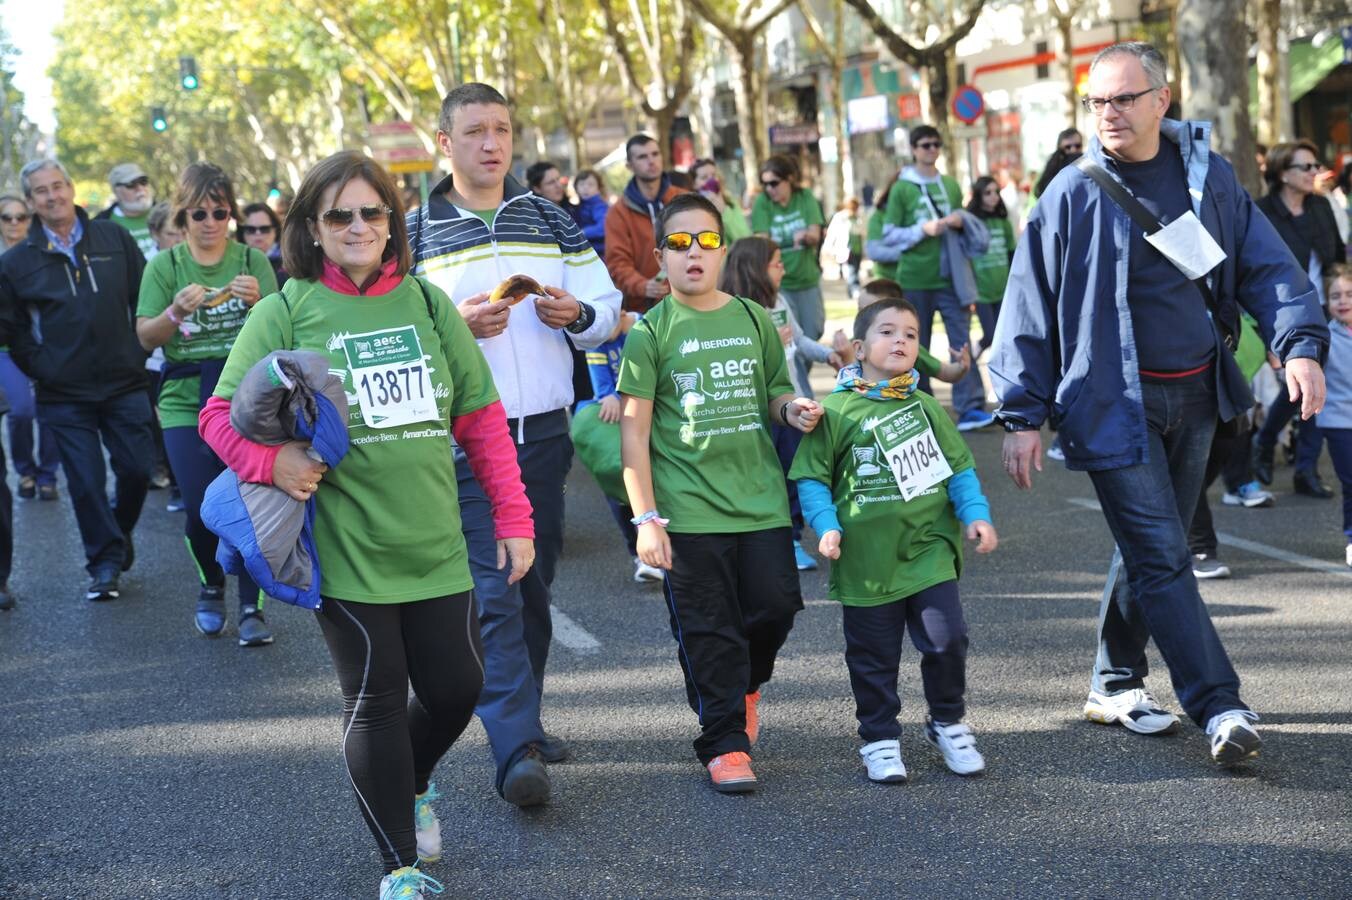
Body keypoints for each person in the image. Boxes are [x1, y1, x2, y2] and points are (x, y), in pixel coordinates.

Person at [202, 150, 530, 900]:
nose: (357, 226)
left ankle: (411, 778)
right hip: (346, 546)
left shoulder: (426, 303)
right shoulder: (283, 311)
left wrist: (514, 516)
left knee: (456, 687)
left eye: (371, 212)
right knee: (376, 698)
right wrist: (273, 463)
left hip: (435, 540)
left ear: (393, 222)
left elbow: (479, 419)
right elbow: (219, 417)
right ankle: (400, 869)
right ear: (312, 229)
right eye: (339, 215)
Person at [990, 42, 1328, 767]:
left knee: (1152, 549)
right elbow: (1027, 306)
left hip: (1200, 393)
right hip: (1114, 401)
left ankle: (1114, 682)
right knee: (1164, 554)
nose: (1108, 114)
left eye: (1123, 98)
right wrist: (1020, 414)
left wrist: (1300, 343)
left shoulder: (1209, 178)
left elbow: (1267, 267)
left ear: (1161, 100)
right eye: (1096, 102)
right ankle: (1219, 703)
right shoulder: (1071, 191)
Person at [407, 82, 621, 804]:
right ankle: (514, 748)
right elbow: (394, 343)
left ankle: (523, 717)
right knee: (498, 587)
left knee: (533, 585)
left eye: (500, 129)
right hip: (467, 441)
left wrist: (578, 311)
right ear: (445, 143)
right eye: (474, 131)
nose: (491, 143)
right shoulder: (415, 233)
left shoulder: (551, 218)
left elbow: (608, 311)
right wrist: (452, 329)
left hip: (548, 434)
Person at [618, 192, 821, 793]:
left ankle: (744, 686)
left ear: (723, 248)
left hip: (759, 504)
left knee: (776, 608)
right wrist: (646, 518)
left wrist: (794, 411)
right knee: (709, 628)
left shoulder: (755, 319)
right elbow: (635, 433)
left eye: (706, 240)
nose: (695, 253)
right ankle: (724, 739)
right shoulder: (651, 333)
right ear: (661, 258)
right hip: (687, 513)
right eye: (679, 244)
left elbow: (775, 394)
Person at [791, 296, 997, 782]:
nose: (901, 339)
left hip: (928, 550)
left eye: (910, 333)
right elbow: (812, 480)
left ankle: (947, 720)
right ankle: (880, 737)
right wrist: (826, 527)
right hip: (865, 560)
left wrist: (976, 516)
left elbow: (960, 469)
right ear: (860, 348)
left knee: (948, 639)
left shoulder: (926, 407)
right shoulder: (835, 412)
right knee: (872, 658)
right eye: (888, 331)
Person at [0, 159, 156, 602]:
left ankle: (118, 530)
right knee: (85, 481)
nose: (52, 196)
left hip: (125, 380)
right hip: (63, 393)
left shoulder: (115, 239)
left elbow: (143, 299)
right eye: (41, 192)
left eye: (57, 186)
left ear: (71, 189)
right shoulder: (15, 264)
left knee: (138, 470)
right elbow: (9, 330)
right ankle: (104, 563)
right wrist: (43, 368)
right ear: (31, 203)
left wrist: (138, 350)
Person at [136, 162, 279, 645]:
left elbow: (284, 336)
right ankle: (210, 586)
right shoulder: (165, 266)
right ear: (183, 217)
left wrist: (260, 302)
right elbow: (143, 336)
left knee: (251, 502)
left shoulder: (251, 261)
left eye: (221, 211)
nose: (211, 222)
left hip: (249, 398)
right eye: (200, 213)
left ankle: (250, 605)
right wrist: (176, 311)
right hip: (184, 397)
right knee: (199, 507)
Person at [720, 235, 840, 572]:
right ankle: (756, 542)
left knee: (794, 472)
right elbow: (732, 362)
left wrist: (829, 354)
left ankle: (791, 540)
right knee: (760, 477)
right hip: (753, 412)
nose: (784, 269)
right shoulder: (731, 308)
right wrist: (768, 340)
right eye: (777, 263)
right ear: (757, 268)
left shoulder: (779, 301)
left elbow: (799, 340)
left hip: (791, 406)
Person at [1252, 140, 1346, 499]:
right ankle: (1264, 441)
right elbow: (1254, 271)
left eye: (1313, 165)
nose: (1313, 174)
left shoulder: (1321, 207)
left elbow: (1336, 254)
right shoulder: (1262, 212)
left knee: (1316, 388)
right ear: (1282, 174)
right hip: (1279, 315)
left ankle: (1305, 470)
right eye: (1304, 167)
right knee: (1298, 388)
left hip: (1321, 311)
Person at [881, 126, 991, 431]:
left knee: (961, 340)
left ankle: (970, 407)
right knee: (917, 345)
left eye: (936, 144)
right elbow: (888, 235)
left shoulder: (951, 185)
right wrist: (922, 230)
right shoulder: (902, 188)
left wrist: (957, 222)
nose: (931, 150)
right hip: (915, 279)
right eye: (925, 145)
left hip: (951, 277)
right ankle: (921, 407)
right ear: (914, 149)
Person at [0, 194, 60, 505]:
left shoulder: (42, 253)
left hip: (44, 345)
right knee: (21, 410)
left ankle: (48, 476)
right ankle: (24, 471)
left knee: (51, 410)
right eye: (6, 217)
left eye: (20, 217)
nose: (14, 223)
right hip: (6, 349)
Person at [605, 134, 687, 312]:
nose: (651, 161)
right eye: (642, 157)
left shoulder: (684, 200)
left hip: (689, 299)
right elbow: (617, 264)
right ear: (629, 165)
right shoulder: (618, 212)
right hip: (644, 309)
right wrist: (642, 285)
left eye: (655, 154)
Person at [751, 154, 825, 341]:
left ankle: (800, 371)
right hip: (779, 284)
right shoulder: (762, 203)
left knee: (813, 332)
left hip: (807, 279)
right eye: (765, 184)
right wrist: (795, 237)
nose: (769, 189)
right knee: (790, 337)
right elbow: (763, 244)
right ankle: (796, 372)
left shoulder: (804, 196)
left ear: (789, 179)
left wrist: (806, 237)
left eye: (774, 183)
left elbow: (815, 234)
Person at [1315, 265, 1352, 567]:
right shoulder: (1325, 336)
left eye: (1350, 294)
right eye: (1335, 295)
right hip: (1339, 421)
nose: (1342, 301)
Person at [966, 176, 1014, 355]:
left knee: (1003, 337)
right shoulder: (971, 223)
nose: (994, 196)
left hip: (1003, 290)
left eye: (996, 192)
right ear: (979, 196)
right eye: (988, 193)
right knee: (991, 335)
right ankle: (972, 354)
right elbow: (966, 256)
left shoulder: (1003, 222)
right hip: (981, 292)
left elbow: (1011, 253)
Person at [95, 162, 158, 259]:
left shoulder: (167, 214)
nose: (140, 188)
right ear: (116, 191)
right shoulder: (101, 226)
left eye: (143, 181)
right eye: (131, 185)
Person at [692, 157, 750, 244]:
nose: (711, 180)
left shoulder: (731, 203)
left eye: (714, 175)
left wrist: (723, 211)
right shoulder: (690, 208)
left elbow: (745, 239)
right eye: (704, 177)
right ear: (694, 184)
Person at [237, 201, 288, 287]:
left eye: (264, 229)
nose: (258, 234)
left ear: (275, 231)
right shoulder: (234, 263)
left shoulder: (289, 264)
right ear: (242, 232)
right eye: (251, 229)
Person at [569, 169, 608, 259]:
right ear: (576, 188)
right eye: (582, 184)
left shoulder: (599, 206)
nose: (585, 187)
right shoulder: (582, 205)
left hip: (600, 253)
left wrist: (583, 232)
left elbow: (603, 227)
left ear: (599, 188)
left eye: (591, 184)